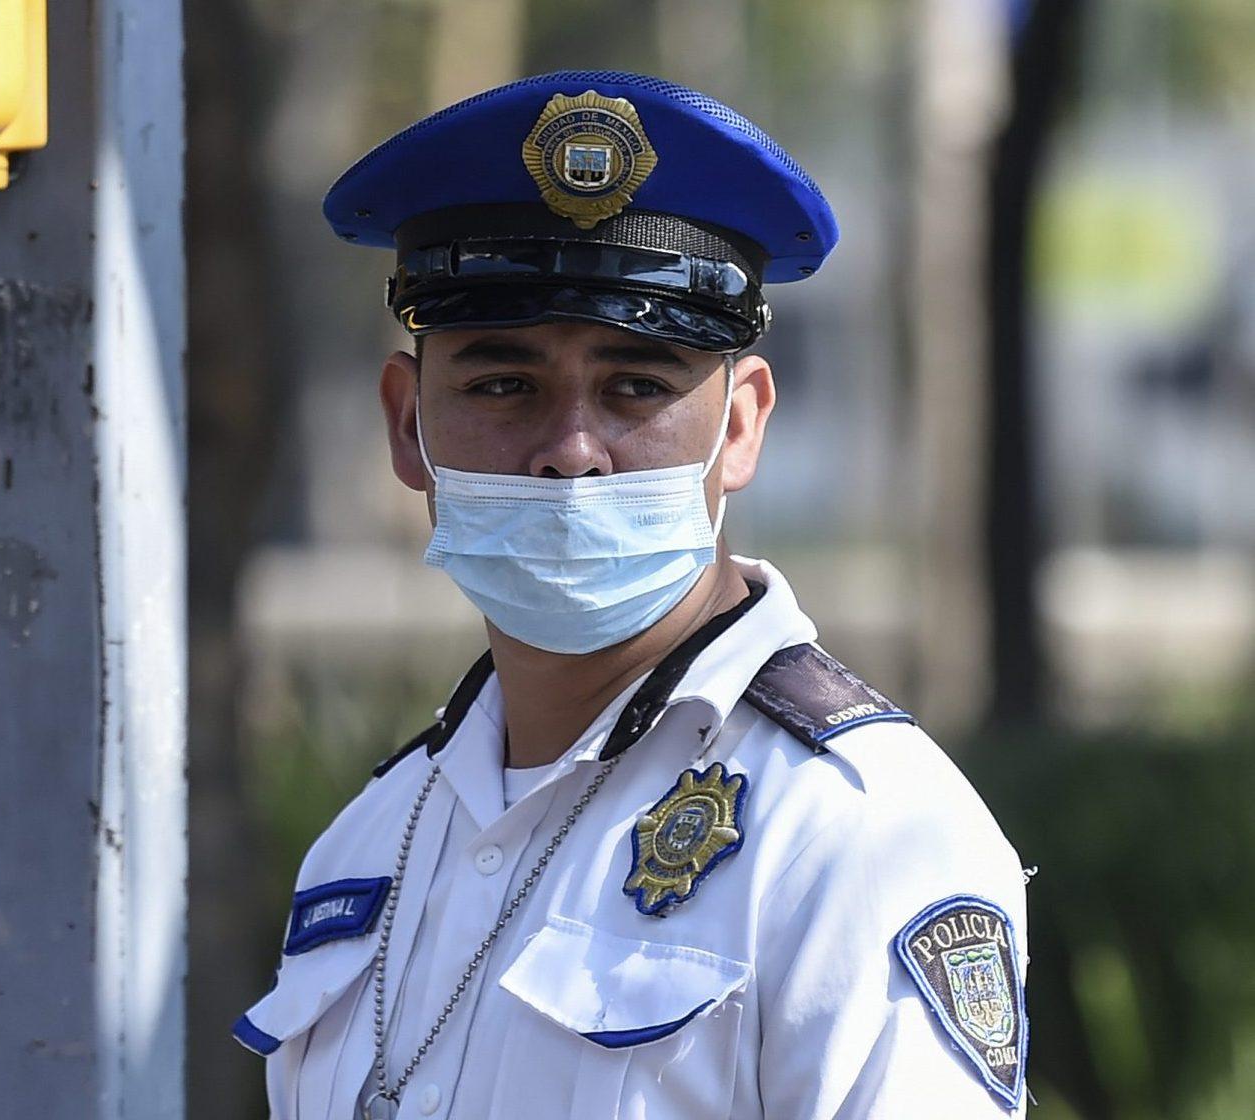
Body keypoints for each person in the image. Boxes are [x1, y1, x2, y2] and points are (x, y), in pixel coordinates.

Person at [233, 70, 1031, 1118]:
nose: (570, 449)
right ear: (406, 424)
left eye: (637, 387)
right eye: (501, 384)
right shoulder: (371, 840)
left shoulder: (849, 831)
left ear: (739, 425)